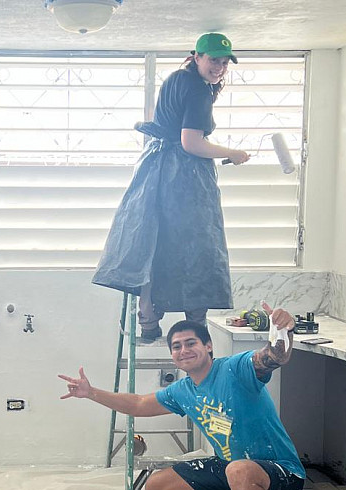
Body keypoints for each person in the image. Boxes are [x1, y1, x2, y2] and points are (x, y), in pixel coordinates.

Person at [58, 303, 304, 490]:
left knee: (238, 470)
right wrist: (91, 392)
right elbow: (138, 404)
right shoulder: (183, 391)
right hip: (234, 469)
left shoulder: (235, 369)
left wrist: (283, 331)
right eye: (176, 346)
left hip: (283, 477)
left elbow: (273, 357)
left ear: (208, 346)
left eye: (190, 343)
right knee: (157, 487)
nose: (183, 350)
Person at [92, 32, 250, 342]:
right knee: (199, 247)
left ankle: (148, 321)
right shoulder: (199, 91)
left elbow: (169, 128)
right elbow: (191, 143)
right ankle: (196, 333)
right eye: (213, 60)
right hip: (184, 176)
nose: (218, 68)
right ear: (197, 57)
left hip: (154, 168)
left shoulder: (176, 79)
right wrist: (232, 153)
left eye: (223, 63)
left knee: (154, 241)